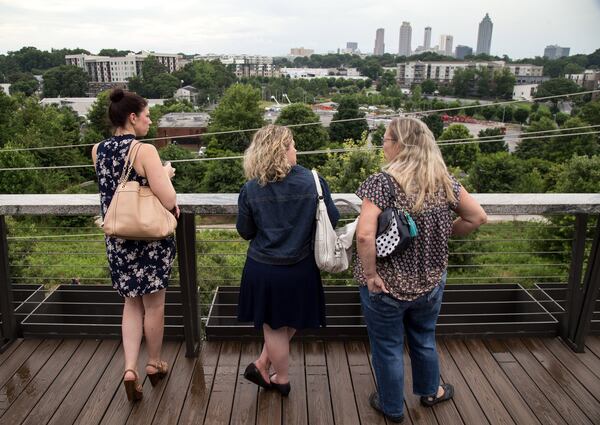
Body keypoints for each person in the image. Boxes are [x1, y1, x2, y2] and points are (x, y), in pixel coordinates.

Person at [355, 117, 487, 423]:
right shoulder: (442, 180)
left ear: (400, 145)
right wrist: (442, 233)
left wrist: (371, 275)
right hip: (430, 281)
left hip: (386, 285)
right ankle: (431, 392)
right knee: (424, 337)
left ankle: (392, 407)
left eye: (386, 140)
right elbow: (477, 217)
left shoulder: (382, 183)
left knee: (387, 347)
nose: (383, 146)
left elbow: (364, 235)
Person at [236, 124, 339, 396]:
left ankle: (265, 366)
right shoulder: (313, 181)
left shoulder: (251, 188)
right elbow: (333, 219)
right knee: (287, 320)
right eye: (292, 145)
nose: (296, 150)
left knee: (274, 324)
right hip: (301, 266)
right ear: (281, 150)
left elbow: (245, 231)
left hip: (263, 268)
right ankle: (281, 379)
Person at [91, 89, 179, 402]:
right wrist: (166, 174)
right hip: (150, 239)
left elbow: (115, 189)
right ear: (132, 117)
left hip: (117, 237)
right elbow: (167, 198)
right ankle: (154, 364)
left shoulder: (97, 150)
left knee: (130, 302)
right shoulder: (145, 151)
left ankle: (130, 369)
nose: (149, 120)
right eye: (147, 115)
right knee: (154, 305)